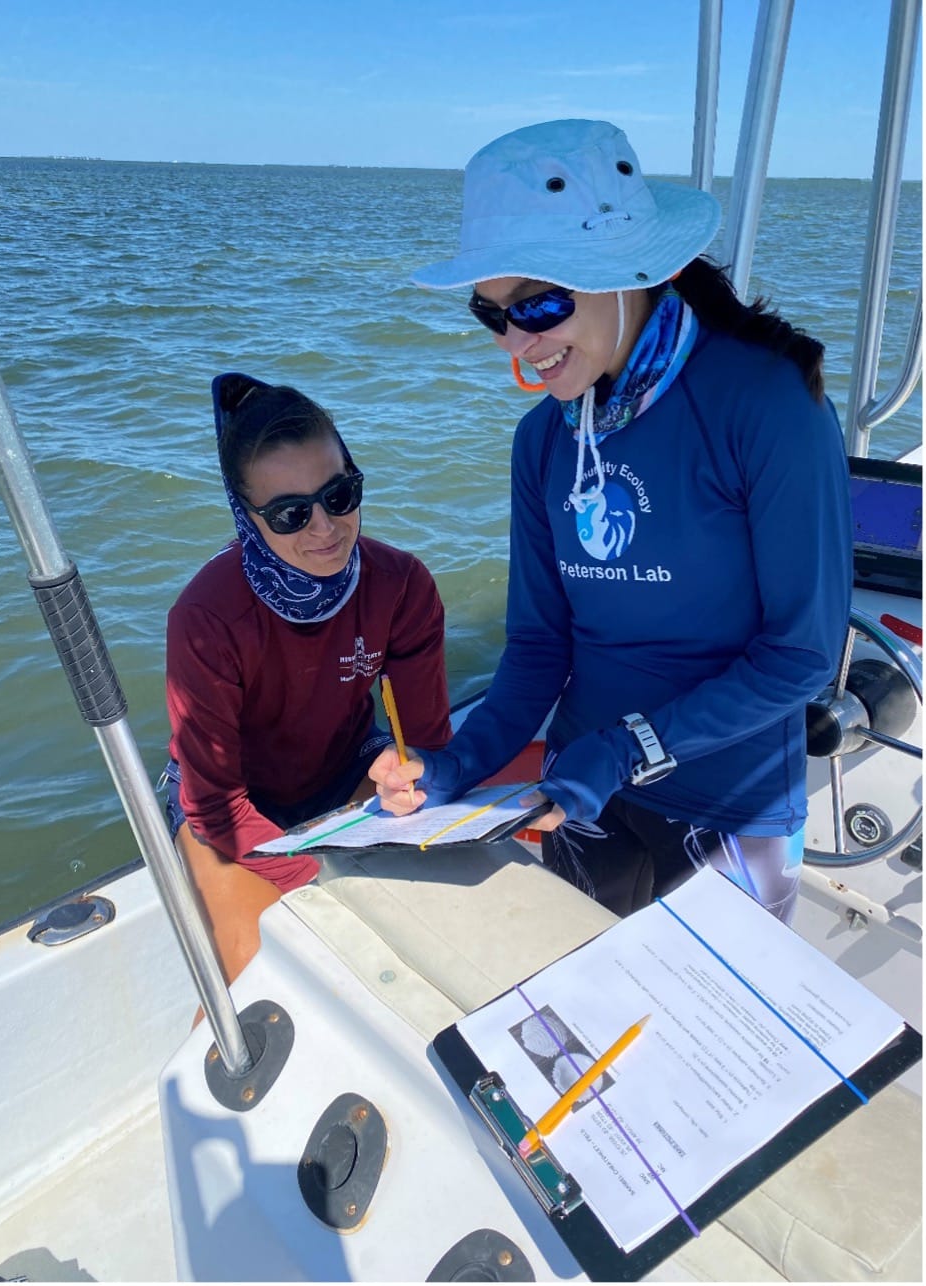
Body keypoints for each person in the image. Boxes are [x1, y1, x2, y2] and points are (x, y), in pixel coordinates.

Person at [369, 119, 852, 924]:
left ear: (625, 275)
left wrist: (628, 746)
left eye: (539, 305)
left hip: (726, 806)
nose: (516, 346)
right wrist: (457, 763)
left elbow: (799, 657)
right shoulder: (541, 440)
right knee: (571, 1031)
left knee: (710, 1042)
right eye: (491, 316)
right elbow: (537, 644)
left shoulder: (766, 405)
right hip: (578, 790)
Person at [164, 372, 451, 985]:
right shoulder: (206, 618)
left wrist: (407, 773)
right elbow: (214, 802)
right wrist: (313, 881)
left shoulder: (402, 585)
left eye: (339, 495)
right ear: (247, 516)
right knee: (269, 971)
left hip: (345, 772)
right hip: (223, 808)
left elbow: (426, 740)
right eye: (291, 513)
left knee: (428, 928)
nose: (325, 528)